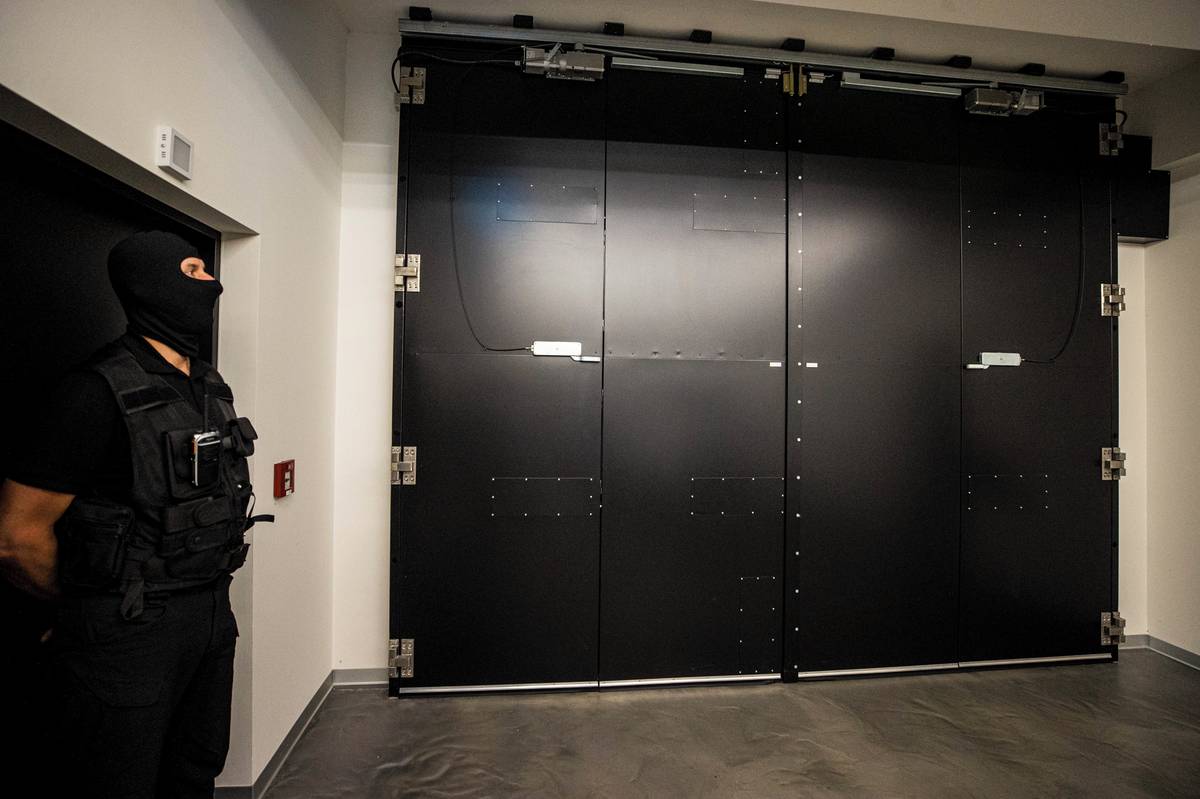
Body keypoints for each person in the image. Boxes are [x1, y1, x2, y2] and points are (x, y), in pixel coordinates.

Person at [0, 231, 271, 798]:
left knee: (196, 766)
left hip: (209, 613)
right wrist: (85, 609)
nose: (212, 284)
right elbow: (17, 537)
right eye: (193, 271)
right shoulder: (92, 392)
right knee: (118, 779)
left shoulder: (208, 384)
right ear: (150, 285)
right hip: (125, 627)